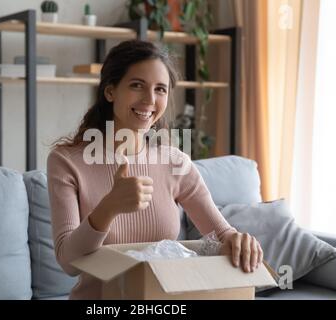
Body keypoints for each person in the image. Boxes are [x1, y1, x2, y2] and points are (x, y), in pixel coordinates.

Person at [47, 40, 264, 300]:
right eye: (137, 85)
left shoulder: (175, 161)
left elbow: (221, 234)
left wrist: (238, 240)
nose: (150, 100)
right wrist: (108, 208)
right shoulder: (66, 161)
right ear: (110, 91)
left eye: (160, 89)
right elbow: (68, 262)